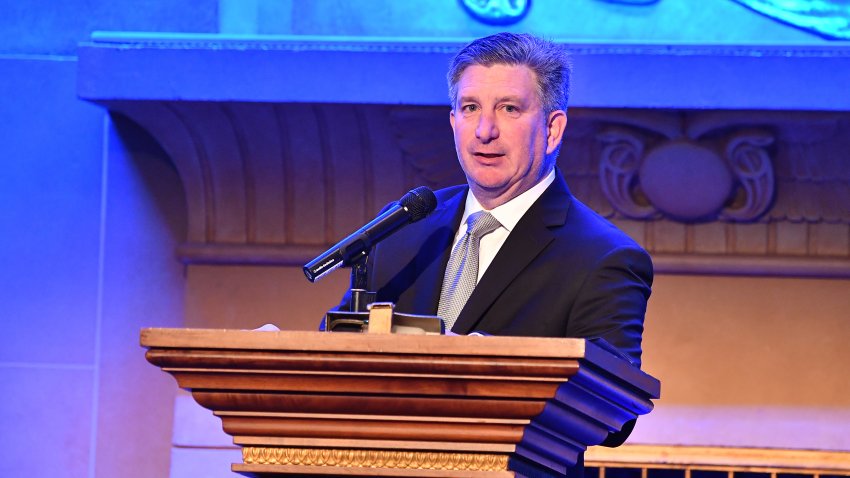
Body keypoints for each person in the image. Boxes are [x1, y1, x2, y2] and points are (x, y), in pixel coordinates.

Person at [339, 32, 653, 477]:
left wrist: (496, 370)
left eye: (509, 108)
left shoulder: (604, 257)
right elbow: (338, 352)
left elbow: (613, 413)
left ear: (552, 128)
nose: (485, 131)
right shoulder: (403, 228)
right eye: (471, 109)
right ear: (453, 121)